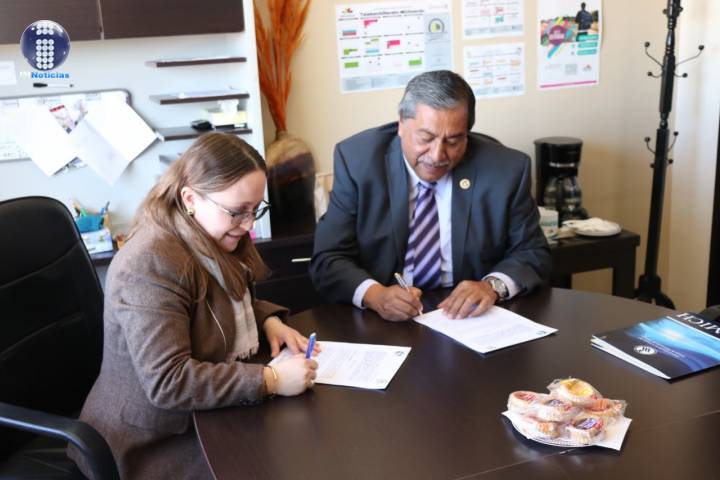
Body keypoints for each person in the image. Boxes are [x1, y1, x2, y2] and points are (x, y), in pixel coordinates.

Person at [68, 133, 318, 479]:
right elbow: (168, 381)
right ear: (190, 199)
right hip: (152, 439)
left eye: (255, 209)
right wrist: (270, 379)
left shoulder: (209, 235)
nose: (249, 225)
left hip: (201, 417)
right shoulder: (148, 263)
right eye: (237, 212)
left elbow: (220, 302)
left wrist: (267, 321)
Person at [310, 70, 550, 322]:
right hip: (383, 319)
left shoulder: (506, 169)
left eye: (453, 141)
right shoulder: (358, 161)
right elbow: (328, 259)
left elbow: (533, 252)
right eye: (426, 138)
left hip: (466, 318)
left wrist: (492, 286)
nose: (437, 155)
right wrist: (375, 295)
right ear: (401, 124)